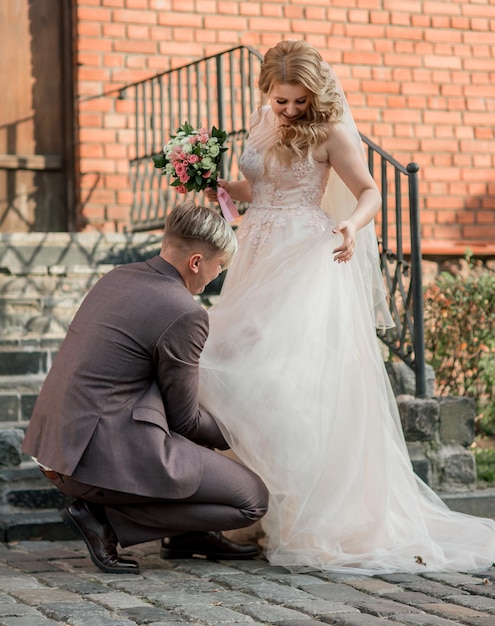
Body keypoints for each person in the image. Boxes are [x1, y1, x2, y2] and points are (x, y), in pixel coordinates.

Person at [200, 39, 495, 574]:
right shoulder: (263, 120)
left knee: (285, 379)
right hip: (258, 253)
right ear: (267, 90)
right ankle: (247, 506)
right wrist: (220, 184)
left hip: (308, 254)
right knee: (228, 364)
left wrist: (352, 225)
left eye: (298, 101)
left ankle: (305, 514)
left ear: (316, 92)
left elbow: (370, 190)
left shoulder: (333, 129)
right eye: (280, 99)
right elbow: (260, 188)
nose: (289, 110)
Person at [22, 201, 269, 575]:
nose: (217, 277)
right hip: (94, 458)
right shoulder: (184, 311)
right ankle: (103, 519)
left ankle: (187, 536)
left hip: (57, 443)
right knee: (252, 500)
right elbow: (184, 419)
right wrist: (244, 433)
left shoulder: (118, 276)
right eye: (220, 266)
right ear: (197, 262)